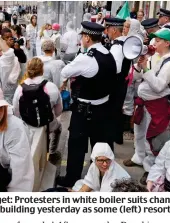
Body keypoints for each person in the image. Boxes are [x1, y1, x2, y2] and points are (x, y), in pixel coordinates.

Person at [57, 21, 117, 187]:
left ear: (87, 38)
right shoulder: (108, 53)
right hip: (103, 109)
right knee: (101, 146)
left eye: (83, 36)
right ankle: (100, 179)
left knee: (76, 146)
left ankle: (72, 179)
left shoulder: (86, 58)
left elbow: (65, 71)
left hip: (85, 111)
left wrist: (65, 80)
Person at [123, 28, 170, 185]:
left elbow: (158, 86)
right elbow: (134, 78)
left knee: (152, 138)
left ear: (167, 43)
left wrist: (146, 69)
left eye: (158, 40)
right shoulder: (153, 57)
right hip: (143, 103)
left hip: (157, 106)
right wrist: (139, 65)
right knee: (139, 133)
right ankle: (139, 157)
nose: (154, 43)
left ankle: (150, 169)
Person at [13, 58, 63, 163]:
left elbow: (16, 112)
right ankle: (52, 152)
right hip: (48, 123)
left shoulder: (20, 89)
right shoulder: (51, 87)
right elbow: (59, 110)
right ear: (42, 70)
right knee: (58, 127)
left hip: (28, 124)